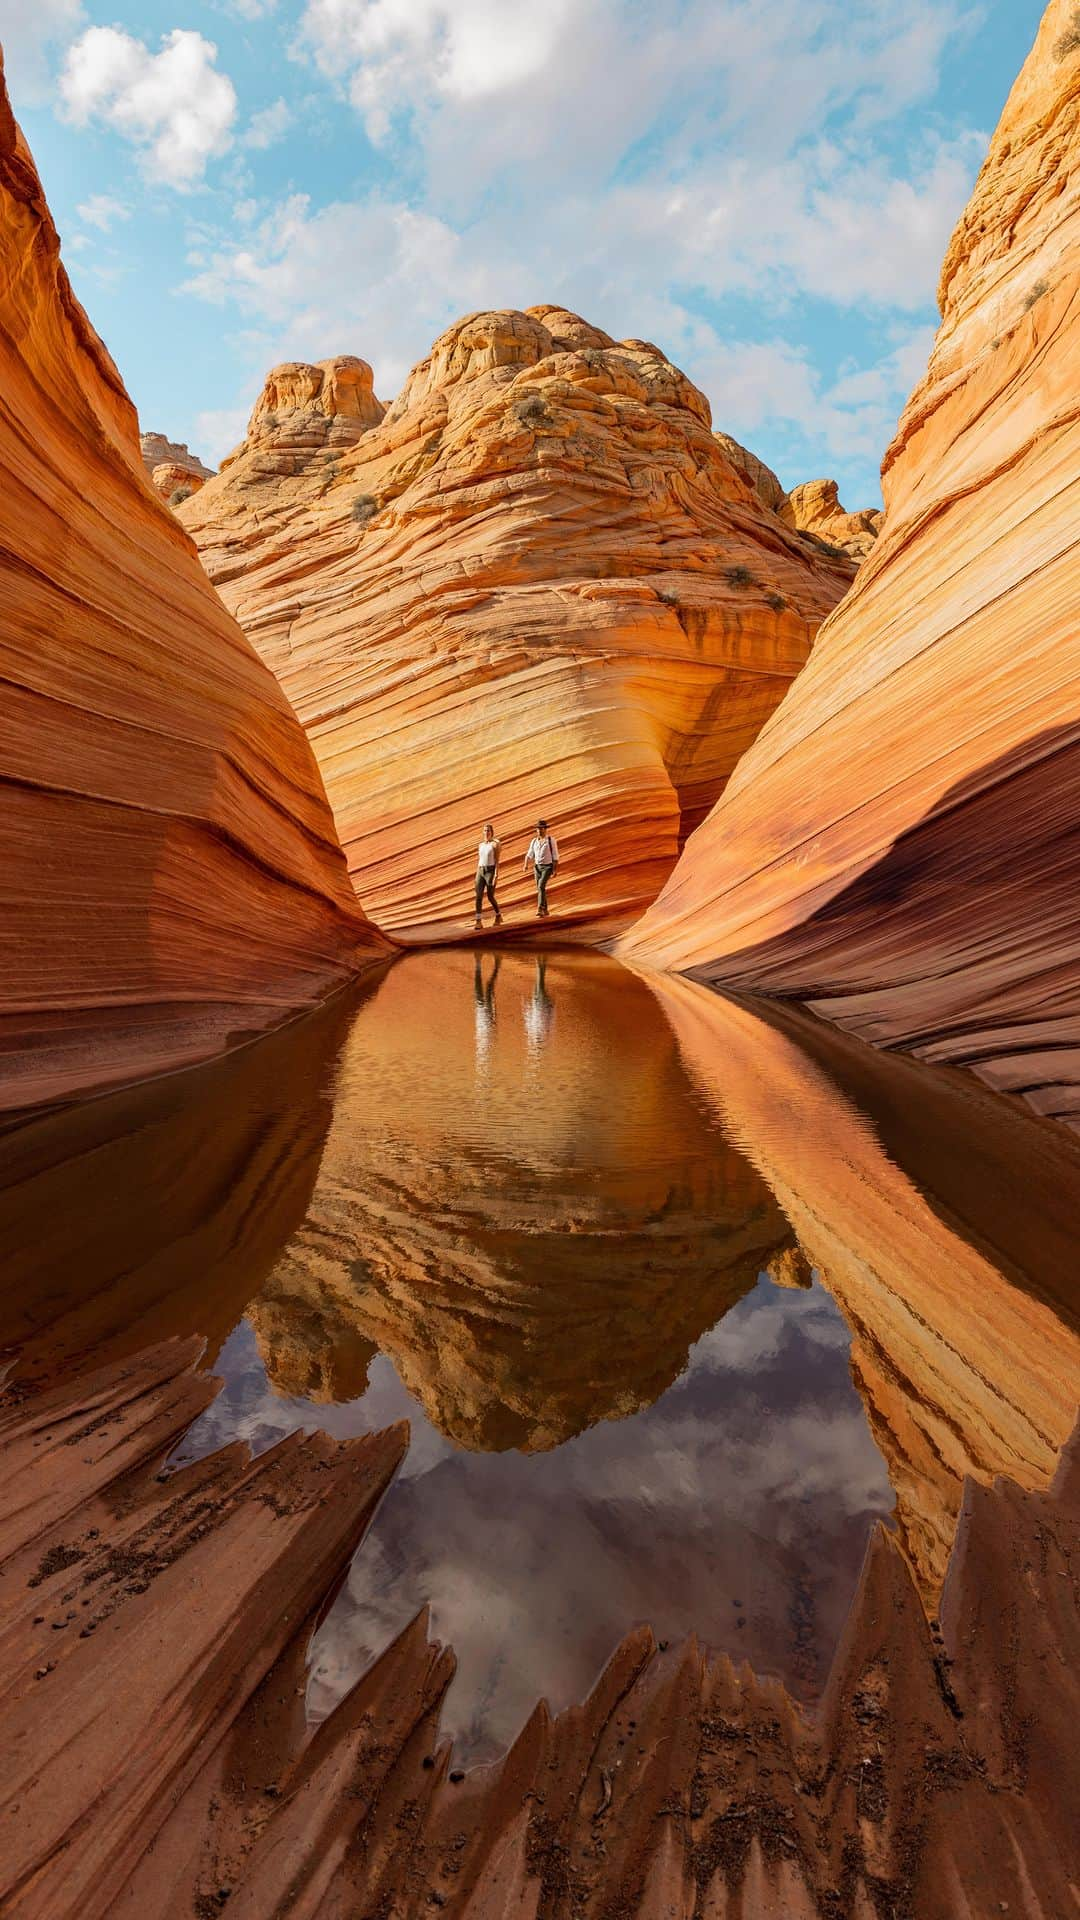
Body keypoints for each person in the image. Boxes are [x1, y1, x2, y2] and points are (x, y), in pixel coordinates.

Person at [523, 818, 559, 917]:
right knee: (540, 888)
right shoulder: (534, 841)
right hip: (537, 867)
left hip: (547, 867)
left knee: (541, 886)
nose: (540, 830)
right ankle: (546, 910)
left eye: (542, 828)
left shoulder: (551, 840)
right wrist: (525, 864)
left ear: (545, 829)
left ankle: (540, 908)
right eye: (538, 829)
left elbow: (555, 855)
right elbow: (530, 854)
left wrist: (555, 870)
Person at [474, 823, 502, 930]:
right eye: (485, 831)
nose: (486, 832)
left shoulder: (495, 844)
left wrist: (496, 874)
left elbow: (497, 860)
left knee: (490, 896)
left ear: (492, 832)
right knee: (478, 896)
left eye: (488, 831)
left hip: (490, 871)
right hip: (480, 870)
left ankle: (498, 915)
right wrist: (477, 874)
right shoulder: (480, 845)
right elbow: (480, 859)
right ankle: (478, 921)